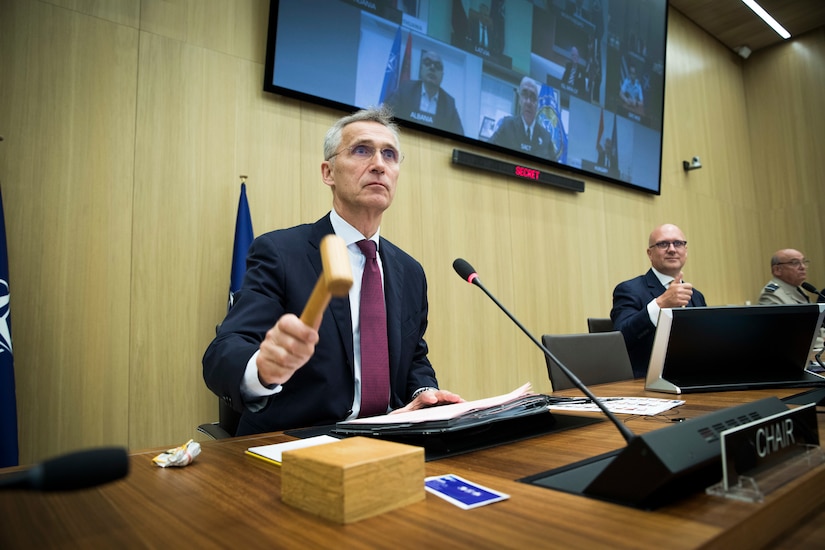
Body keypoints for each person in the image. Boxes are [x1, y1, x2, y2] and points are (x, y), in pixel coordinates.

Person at [203, 106, 463, 435]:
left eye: (390, 155)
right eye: (362, 150)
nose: (379, 165)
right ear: (328, 172)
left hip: (390, 440)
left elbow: (413, 359)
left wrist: (423, 393)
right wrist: (262, 368)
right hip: (300, 440)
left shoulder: (410, 271)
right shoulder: (281, 253)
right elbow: (224, 351)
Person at [610, 224, 707, 377]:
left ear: (685, 251)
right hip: (646, 383)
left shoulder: (696, 296)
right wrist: (660, 304)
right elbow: (620, 338)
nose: (672, 249)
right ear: (650, 253)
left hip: (695, 378)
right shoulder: (629, 289)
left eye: (678, 243)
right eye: (663, 244)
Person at [385, 50, 464, 136]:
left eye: (437, 66)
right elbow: (385, 116)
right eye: (427, 62)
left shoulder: (449, 103)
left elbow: (459, 134)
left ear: (442, 75)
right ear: (421, 69)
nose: (432, 67)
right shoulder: (406, 89)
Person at [758, 249, 824, 351]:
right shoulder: (771, 295)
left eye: (804, 262)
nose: (802, 267)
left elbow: (813, 326)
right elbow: (786, 334)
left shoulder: (798, 289)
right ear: (777, 270)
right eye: (795, 263)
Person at [489, 76, 558, 160]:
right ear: (520, 100)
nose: (528, 102)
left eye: (533, 97)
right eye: (525, 95)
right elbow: (486, 152)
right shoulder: (507, 125)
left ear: (537, 103)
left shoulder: (546, 136)